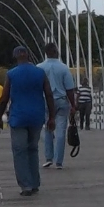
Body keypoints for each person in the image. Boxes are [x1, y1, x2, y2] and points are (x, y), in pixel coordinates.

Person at [0, 45, 57, 196]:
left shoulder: (11, 74)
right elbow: (49, 95)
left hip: (18, 117)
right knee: (33, 148)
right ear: (29, 56)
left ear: (16, 57)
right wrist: (51, 117)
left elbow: (4, 98)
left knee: (19, 151)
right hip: (36, 116)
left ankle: (26, 185)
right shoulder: (40, 73)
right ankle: (35, 182)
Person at [38, 42, 77, 170]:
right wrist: (73, 105)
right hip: (61, 101)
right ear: (56, 52)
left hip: (45, 101)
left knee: (48, 128)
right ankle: (58, 161)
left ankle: (48, 158)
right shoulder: (64, 68)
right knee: (61, 130)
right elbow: (70, 89)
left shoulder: (39, 68)